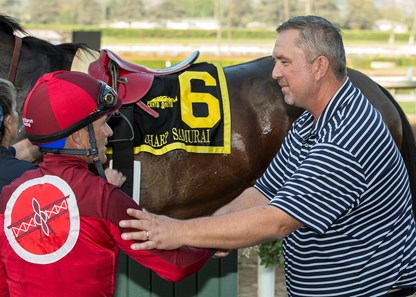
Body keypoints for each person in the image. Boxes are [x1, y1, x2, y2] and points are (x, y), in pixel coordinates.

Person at [119, 15, 416, 296]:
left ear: (319, 66)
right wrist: (214, 227)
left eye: (284, 62)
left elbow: (278, 221)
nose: (274, 73)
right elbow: (264, 192)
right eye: (275, 62)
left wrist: (178, 231)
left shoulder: (349, 135)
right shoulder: (310, 121)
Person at [0, 70, 211, 297]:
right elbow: (176, 265)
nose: (109, 131)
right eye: (102, 125)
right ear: (79, 137)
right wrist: (212, 241)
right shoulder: (105, 198)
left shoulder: (7, 195)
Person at [0, 78, 38, 190]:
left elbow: (23, 150)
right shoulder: (27, 174)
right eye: (15, 109)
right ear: (8, 121)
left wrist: (52, 138)